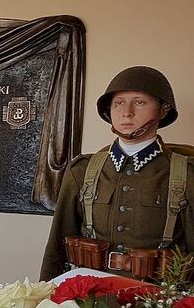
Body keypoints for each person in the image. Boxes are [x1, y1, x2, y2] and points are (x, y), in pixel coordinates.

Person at [41, 66, 194, 281]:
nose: (127, 112)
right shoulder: (82, 171)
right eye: (118, 103)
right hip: (88, 298)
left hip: (157, 302)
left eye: (139, 102)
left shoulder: (186, 175)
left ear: (163, 109)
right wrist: (43, 302)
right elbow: (56, 249)